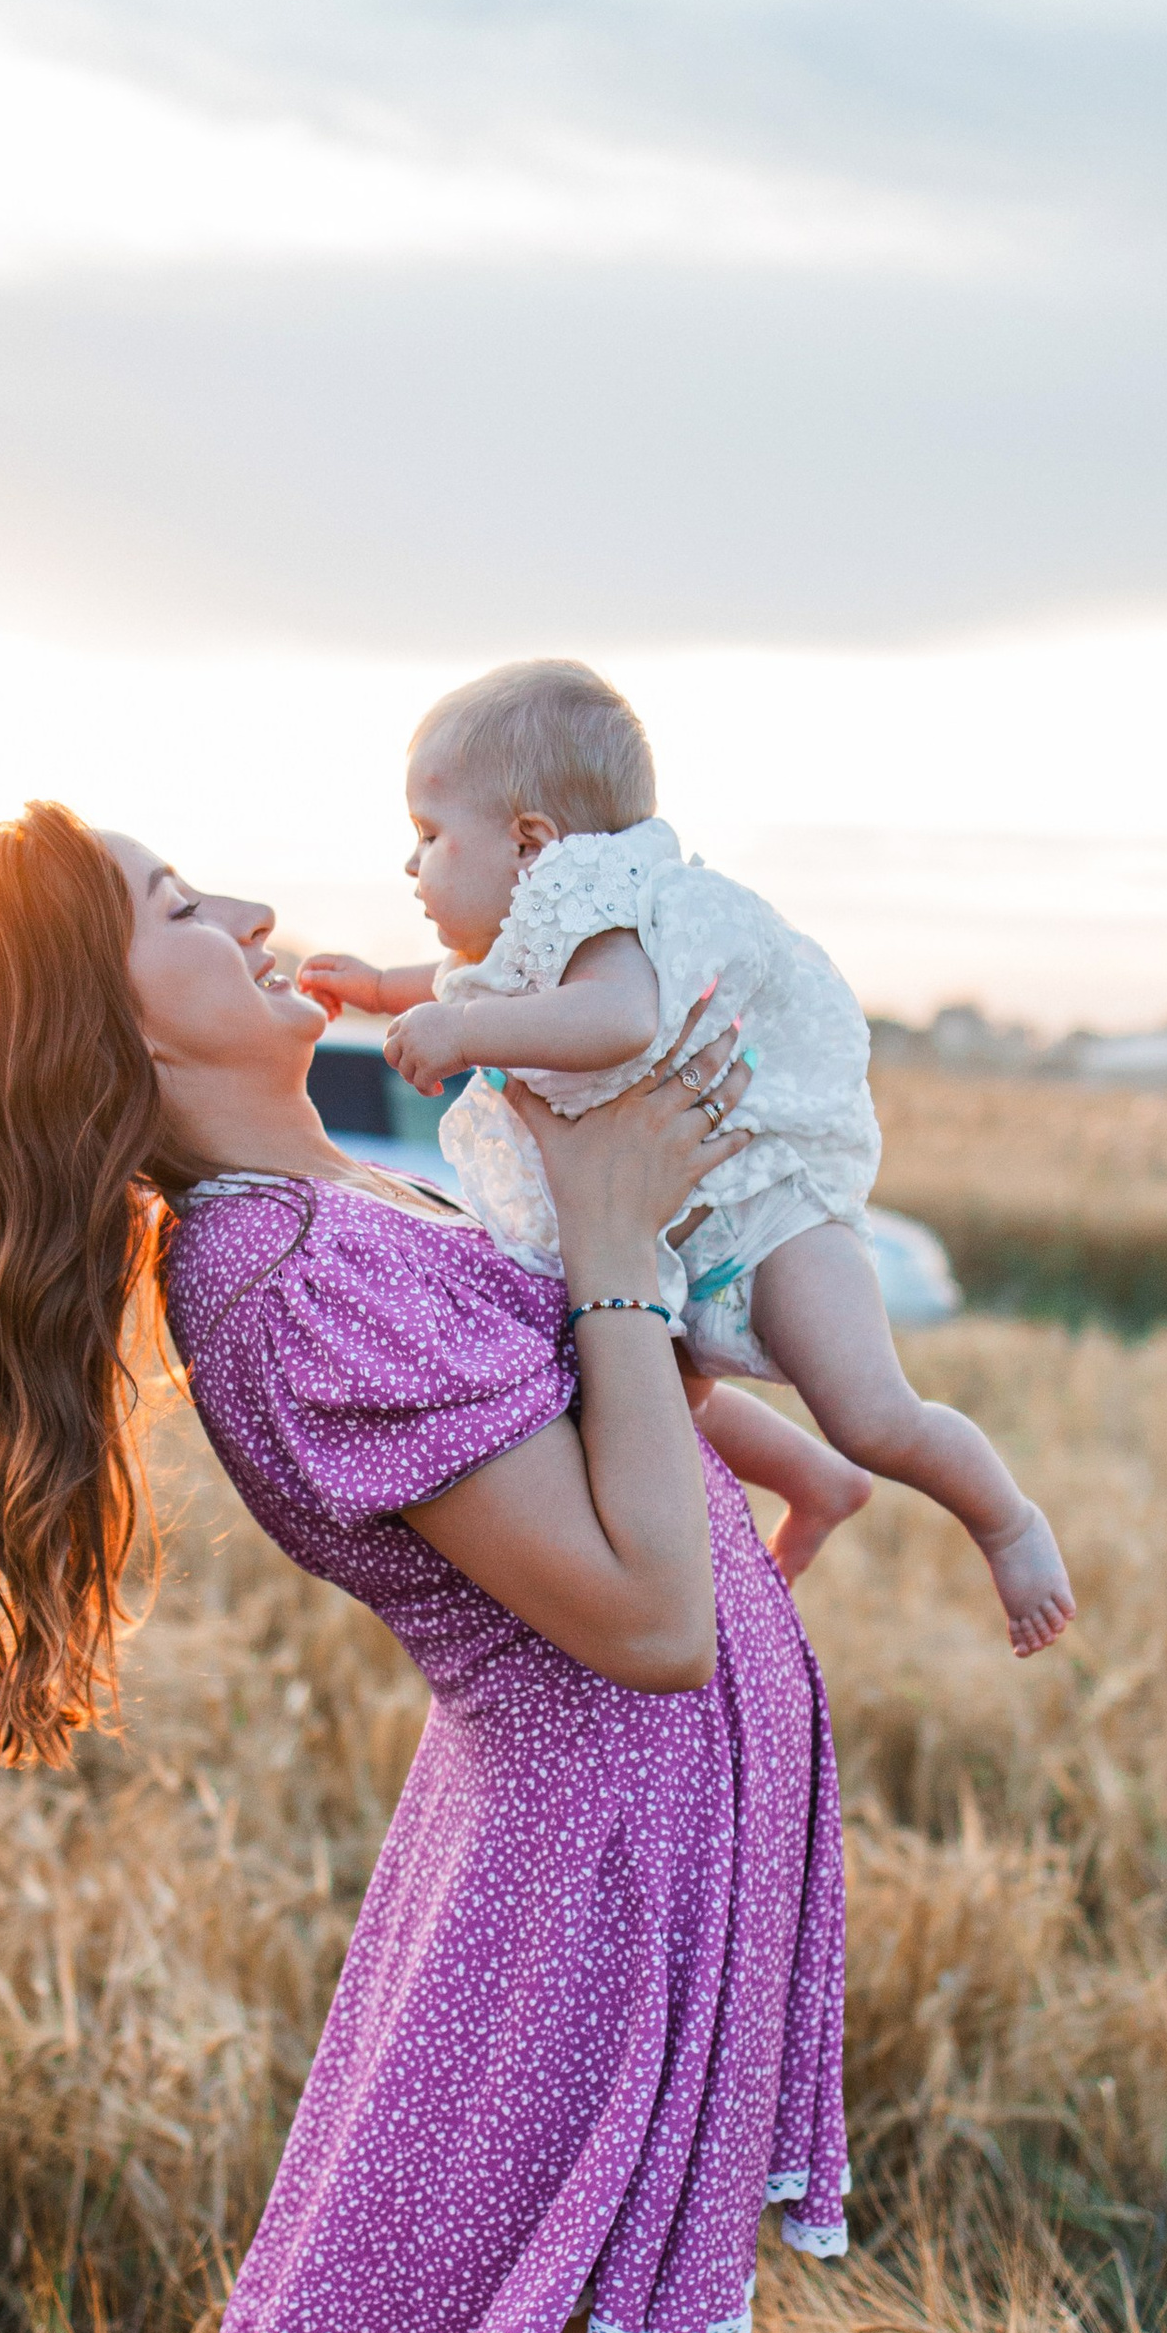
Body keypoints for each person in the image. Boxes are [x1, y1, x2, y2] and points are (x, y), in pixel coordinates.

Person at [0, 801, 851, 2333]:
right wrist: (610, 1248)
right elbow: (648, 1619)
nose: (245, 904)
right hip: (597, 1884)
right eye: (173, 906)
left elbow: (640, 1476)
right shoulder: (289, 1283)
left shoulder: (343, 1217)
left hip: (644, 1855)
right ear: (111, 1033)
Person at [298, 656, 1075, 1654]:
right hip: (673, 1224)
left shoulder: (598, 902)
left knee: (870, 1411)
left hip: (762, 1213)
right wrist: (377, 988)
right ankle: (812, 1481)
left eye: (429, 834)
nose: (412, 866)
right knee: (640, 1401)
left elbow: (621, 1018)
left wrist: (465, 1038)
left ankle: (1006, 1520)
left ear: (533, 843)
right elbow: (464, 975)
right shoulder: (539, 931)